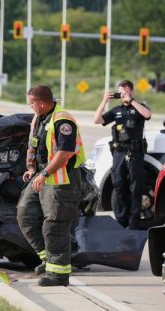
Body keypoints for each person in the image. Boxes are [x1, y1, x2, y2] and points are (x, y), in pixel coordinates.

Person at [17, 85, 85, 286]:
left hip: (61, 179)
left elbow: (64, 153)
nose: (31, 107)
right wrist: (31, 168)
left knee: (54, 226)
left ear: (41, 102)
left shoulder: (63, 120)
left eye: (31, 103)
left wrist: (45, 173)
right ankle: (47, 260)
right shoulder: (40, 118)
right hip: (42, 175)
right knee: (25, 213)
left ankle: (58, 274)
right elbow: (35, 145)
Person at [93, 80, 151, 229]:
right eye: (120, 92)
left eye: (125, 92)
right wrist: (104, 101)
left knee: (135, 186)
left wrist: (131, 101)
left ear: (131, 92)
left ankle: (134, 221)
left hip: (135, 152)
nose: (122, 95)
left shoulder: (139, 107)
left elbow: (148, 114)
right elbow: (97, 120)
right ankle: (121, 221)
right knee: (119, 185)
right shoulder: (116, 110)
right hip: (119, 153)